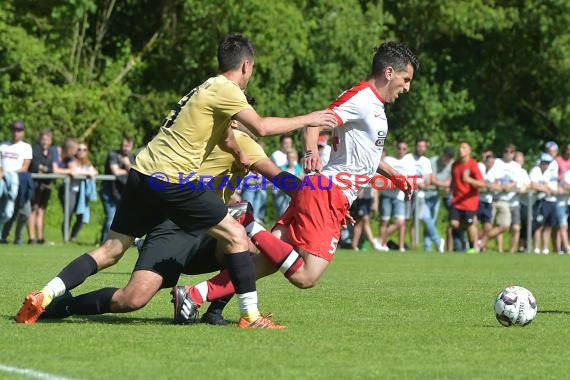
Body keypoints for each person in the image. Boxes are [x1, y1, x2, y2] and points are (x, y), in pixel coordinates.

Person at [15, 34, 337, 328]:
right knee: (239, 234)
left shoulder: (205, 88)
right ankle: (250, 316)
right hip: (174, 183)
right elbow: (264, 127)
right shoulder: (228, 90)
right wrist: (311, 119)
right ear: (247, 65)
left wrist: (236, 150)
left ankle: (46, 299)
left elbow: (226, 138)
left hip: (144, 172)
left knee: (113, 254)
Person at [170, 41, 419, 324]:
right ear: (389, 72)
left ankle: (193, 295)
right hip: (326, 193)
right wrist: (311, 151)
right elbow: (316, 123)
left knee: (264, 263)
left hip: (326, 195)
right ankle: (247, 222)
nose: (407, 87)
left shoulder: (373, 106)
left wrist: (394, 175)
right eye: (406, 79)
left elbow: (365, 155)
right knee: (306, 276)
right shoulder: (361, 98)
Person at [449, 141, 485, 253]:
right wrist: (450, 188)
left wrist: (469, 180)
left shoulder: (473, 165)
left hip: (470, 202)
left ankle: (473, 247)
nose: (461, 150)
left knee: (470, 224)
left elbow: (482, 183)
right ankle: (467, 241)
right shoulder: (455, 165)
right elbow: (454, 180)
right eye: (460, 147)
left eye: (464, 148)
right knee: (453, 223)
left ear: (469, 150)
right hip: (457, 201)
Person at [0, 121, 33, 245]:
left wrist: (9, 173)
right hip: (4, 182)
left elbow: (25, 167)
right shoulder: (3, 146)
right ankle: (3, 237)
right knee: (7, 211)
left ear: (23, 132)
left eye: (19, 130)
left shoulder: (26, 147)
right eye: (14, 130)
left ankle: (18, 237)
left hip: (20, 182)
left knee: (25, 212)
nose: (16, 133)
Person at [377, 141, 413, 251]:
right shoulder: (388, 160)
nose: (401, 150)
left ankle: (396, 245)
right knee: (385, 221)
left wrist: (401, 184)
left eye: (404, 148)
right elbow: (380, 178)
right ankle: (381, 245)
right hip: (387, 194)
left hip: (399, 195)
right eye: (399, 148)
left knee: (400, 222)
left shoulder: (409, 162)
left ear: (407, 150)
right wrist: (393, 184)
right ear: (396, 148)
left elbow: (410, 178)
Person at [27, 129, 61, 244]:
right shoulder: (35, 150)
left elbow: (54, 168)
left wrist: (46, 169)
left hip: (46, 185)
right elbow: (36, 166)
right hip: (35, 184)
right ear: (39, 140)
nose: (45, 142)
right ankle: (31, 238)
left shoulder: (52, 152)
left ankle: (40, 238)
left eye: (47, 140)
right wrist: (47, 169)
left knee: (41, 210)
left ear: (51, 141)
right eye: (43, 139)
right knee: (33, 209)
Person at [99, 134, 135, 244]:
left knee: (122, 220)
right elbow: (115, 171)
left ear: (132, 146)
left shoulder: (132, 157)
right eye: (124, 145)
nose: (125, 148)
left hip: (123, 194)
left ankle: (116, 242)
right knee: (110, 218)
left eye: (128, 146)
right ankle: (104, 243)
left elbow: (136, 172)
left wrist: (127, 165)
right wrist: (128, 169)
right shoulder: (113, 155)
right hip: (109, 192)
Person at [67, 142, 98, 242]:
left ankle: (73, 237)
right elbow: (73, 172)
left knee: (81, 216)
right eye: (79, 149)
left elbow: (95, 172)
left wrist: (91, 173)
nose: (81, 151)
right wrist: (87, 173)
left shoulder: (87, 163)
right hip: (71, 191)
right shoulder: (72, 161)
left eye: (84, 149)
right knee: (69, 213)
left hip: (82, 194)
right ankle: (65, 237)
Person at [529, 153, 558, 254]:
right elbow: (533, 185)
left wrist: (547, 189)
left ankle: (545, 247)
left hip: (549, 201)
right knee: (539, 224)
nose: (546, 165)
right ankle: (536, 247)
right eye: (544, 163)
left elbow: (545, 185)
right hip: (539, 201)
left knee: (548, 225)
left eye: (547, 163)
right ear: (541, 162)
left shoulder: (548, 172)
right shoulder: (535, 171)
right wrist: (546, 190)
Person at [428, 146, 454, 252]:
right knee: (425, 218)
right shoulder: (433, 161)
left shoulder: (452, 164)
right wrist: (444, 185)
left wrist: (440, 184)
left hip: (440, 195)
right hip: (428, 193)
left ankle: (427, 248)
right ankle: (438, 241)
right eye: (446, 157)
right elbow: (432, 179)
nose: (447, 160)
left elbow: (450, 182)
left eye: (449, 158)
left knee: (432, 220)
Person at [273, 149, 303, 217]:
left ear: (296, 158)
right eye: (289, 157)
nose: (291, 159)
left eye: (293, 157)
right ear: (287, 158)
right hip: (282, 193)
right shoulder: (281, 168)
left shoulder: (299, 169)